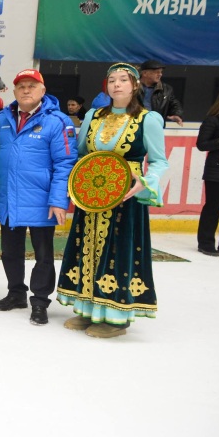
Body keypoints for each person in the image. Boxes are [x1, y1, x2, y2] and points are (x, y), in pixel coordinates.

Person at [57, 63, 169, 338]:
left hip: (124, 197)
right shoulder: (94, 116)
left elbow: (159, 161)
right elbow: (82, 153)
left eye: (123, 80)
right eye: (112, 80)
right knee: (86, 248)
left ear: (135, 85)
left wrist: (145, 182)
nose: (116, 85)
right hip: (92, 195)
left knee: (117, 251)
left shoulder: (148, 119)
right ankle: (87, 309)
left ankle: (116, 317)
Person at [0, 70, 77, 325]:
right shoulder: (2, 119)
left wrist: (58, 200)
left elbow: (65, 163)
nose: (26, 90)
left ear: (43, 90)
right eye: (21, 86)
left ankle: (40, 301)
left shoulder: (57, 121)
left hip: (42, 201)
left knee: (43, 255)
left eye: (32, 86)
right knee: (10, 252)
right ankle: (16, 293)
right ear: (14, 91)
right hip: (9, 198)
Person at [195, 86, 219, 257]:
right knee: (213, 207)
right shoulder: (214, 120)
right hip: (217, 170)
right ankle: (206, 242)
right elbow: (202, 144)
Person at [138, 59, 184, 125]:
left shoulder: (166, 89)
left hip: (156, 124)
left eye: (161, 72)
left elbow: (174, 104)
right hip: (134, 125)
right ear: (145, 73)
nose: (160, 74)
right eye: (157, 72)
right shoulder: (132, 87)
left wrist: (177, 114)